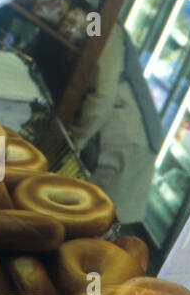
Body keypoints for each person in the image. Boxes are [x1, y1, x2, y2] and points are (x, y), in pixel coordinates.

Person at [69, 24, 163, 227]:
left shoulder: (103, 24)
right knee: (98, 220)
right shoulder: (98, 19)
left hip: (122, 140)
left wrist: (74, 141)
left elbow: (102, 94)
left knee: (99, 222)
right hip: (125, 135)